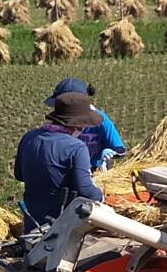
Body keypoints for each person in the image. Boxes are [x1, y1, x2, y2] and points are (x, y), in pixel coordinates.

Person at [15, 91, 105, 231]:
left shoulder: (29, 137)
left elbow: (19, 174)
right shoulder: (76, 147)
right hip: (61, 225)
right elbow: (85, 190)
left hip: (32, 221)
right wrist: (100, 195)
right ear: (78, 125)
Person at [44, 78, 126, 169]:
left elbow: (120, 149)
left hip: (96, 170)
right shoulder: (59, 123)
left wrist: (111, 153)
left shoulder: (101, 120)